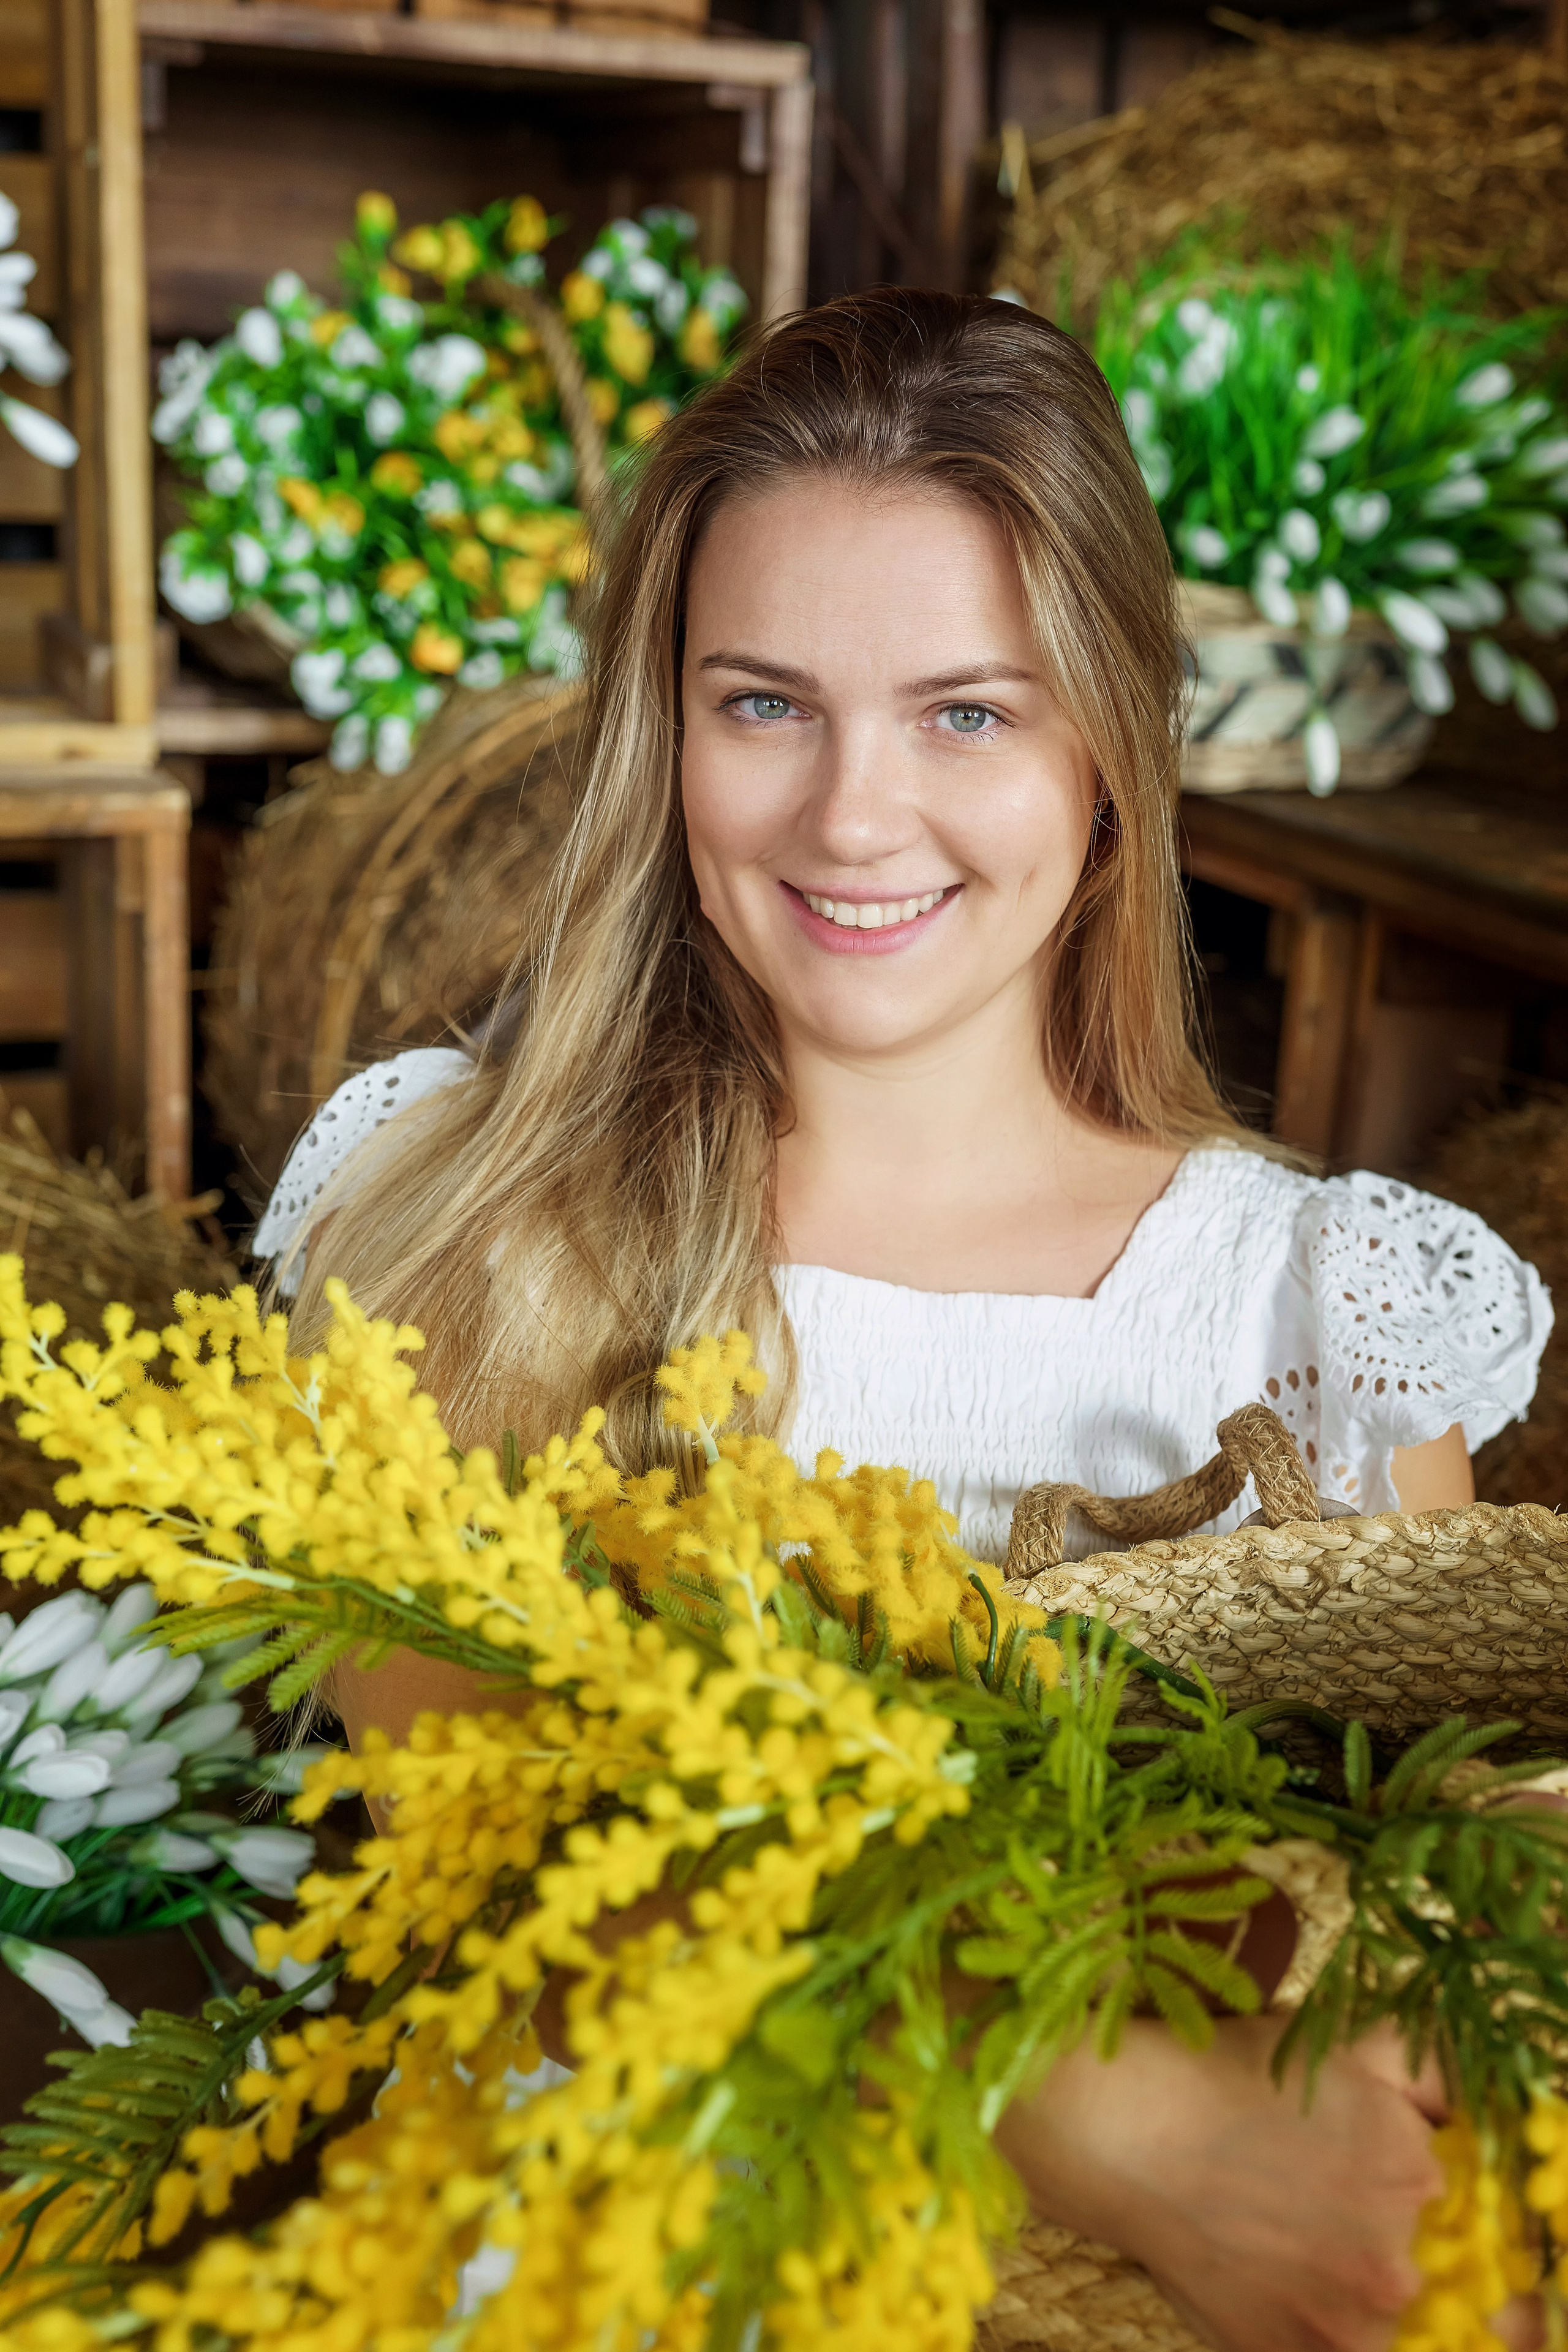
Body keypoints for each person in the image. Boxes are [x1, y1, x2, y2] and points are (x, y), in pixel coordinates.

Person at [254, 288, 1550, 2352]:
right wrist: (1111, 2122)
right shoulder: (459, 1220)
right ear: (660, 732)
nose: (852, 817)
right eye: (766, 703)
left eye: (968, 713)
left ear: (1110, 751)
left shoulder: (1313, 1307)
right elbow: (504, 1843)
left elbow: (1422, 1889)